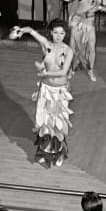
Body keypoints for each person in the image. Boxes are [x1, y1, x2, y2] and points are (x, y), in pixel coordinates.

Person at [16, 20, 74, 168]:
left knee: (57, 124)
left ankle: (59, 153)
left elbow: (63, 71)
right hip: (46, 90)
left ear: (66, 34)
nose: (58, 36)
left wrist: (44, 73)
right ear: (51, 33)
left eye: (62, 33)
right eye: (55, 32)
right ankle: (45, 152)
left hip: (59, 92)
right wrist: (22, 30)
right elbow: (32, 31)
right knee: (45, 123)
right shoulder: (46, 45)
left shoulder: (68, 51)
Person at [45, 0, 101, 81]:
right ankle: (72, 69)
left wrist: (91, 10)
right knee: (73, 46)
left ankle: (90, 71)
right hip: (77, 19)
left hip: (89, 21)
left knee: (91, 47)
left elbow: (98, 4)